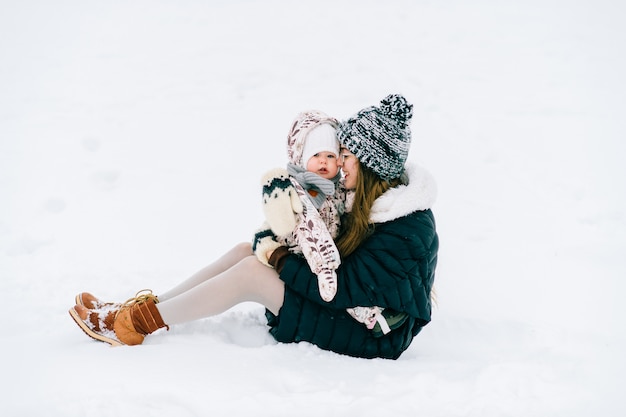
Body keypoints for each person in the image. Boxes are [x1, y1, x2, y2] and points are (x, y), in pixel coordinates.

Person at [69, 93, 439, 359]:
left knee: (252, 272)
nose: (339, 164)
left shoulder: (407, 228)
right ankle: (149, 307)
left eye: (347, 157)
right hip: (347, 306)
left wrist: (278, 257)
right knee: (246, 251)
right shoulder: (365, 200)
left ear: (372, 165)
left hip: (372, 335)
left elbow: (339, 290)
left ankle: (132, 325)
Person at [252, 110, 344, 302]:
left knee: (244, 266)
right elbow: (274, 223)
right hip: (288, 258)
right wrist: (268, 246)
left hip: (315, 272)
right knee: (242, 255)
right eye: (316, 154)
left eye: (330, 155)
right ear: (302, 157)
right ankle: (171, 304)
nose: (323, 160)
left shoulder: (340, 192)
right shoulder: (293, 186)